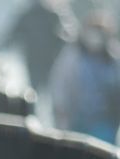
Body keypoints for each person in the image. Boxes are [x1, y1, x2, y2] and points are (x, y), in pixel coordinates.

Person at [48, 12, 120, 142]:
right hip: (76, 120)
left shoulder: (114, 59)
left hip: (104, 123)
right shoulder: (73, 55)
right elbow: (59, 83)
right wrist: (60, 110)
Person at [4, 0, 76, 100]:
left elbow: (67, 38)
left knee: (48, 91)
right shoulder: (30, 14)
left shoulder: (55, 15)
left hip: (47, 61)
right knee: (37, 92)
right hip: (36, 60)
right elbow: (14, 33)